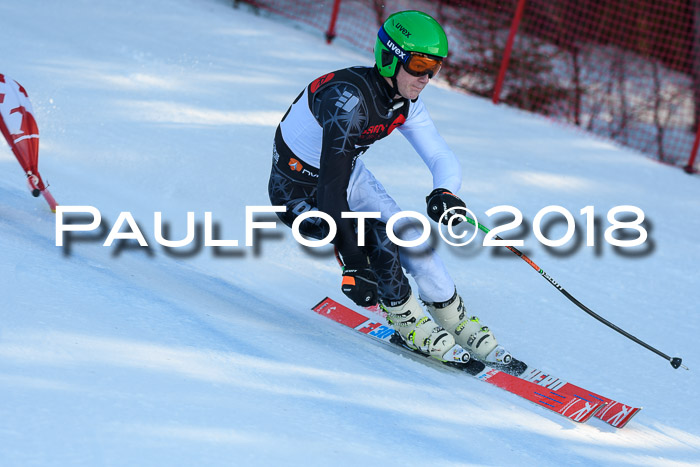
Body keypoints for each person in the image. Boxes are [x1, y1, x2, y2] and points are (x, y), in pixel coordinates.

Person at [268, 10, 509, 364]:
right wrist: (353, 263)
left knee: (411, 238)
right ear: (390, 58)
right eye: (419, 64)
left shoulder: (404, 102)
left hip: (344, 175)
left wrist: (446, 191)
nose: (426, 77)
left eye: (435, 67)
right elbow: (330, 187)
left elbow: (440, 154)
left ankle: (455, 319)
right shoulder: (345, 102)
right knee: (380, 239)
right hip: (299, 192)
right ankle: (406, 319)